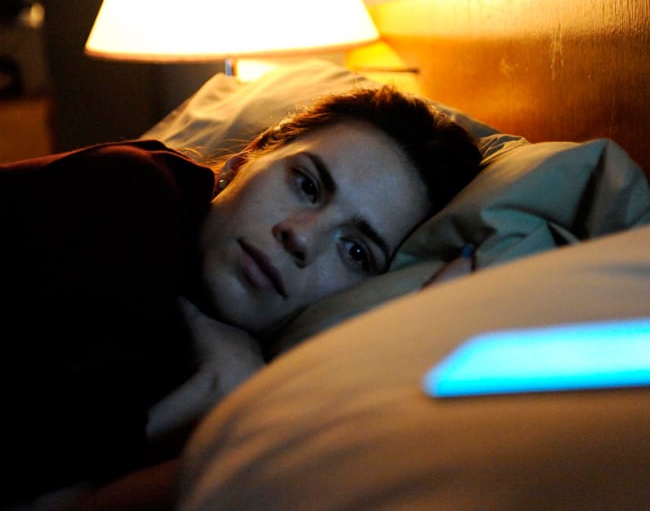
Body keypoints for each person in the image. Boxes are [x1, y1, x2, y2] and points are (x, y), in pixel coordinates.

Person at [0, 83, 482, 509]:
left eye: (355, 250)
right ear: (243, 160)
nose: (300, 236)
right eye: (306, 185)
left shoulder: (245, 358)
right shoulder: (131, 195)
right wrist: (209, 397)